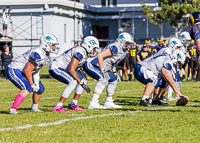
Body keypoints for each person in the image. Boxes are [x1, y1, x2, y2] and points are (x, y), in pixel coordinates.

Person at [7, 34, 59, 114]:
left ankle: (34, 108)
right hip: (15, 69)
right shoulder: (38, 53)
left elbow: (35, 70)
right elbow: (27, 70)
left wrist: (36, 82)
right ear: (46, 44)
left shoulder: (46, 55)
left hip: (24, 71)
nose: (54, 47)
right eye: (53, 45)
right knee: (27, 88)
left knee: (40, 88)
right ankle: (12, 110)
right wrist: (32, 84)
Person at [82, 32, 134, 109]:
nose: (129, 45)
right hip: (92, 64)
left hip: (100, 67)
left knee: (113, 80)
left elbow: (111, 61)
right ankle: (93, 102)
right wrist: (103, 70)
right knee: (104, 79)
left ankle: (108, 102)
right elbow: (100, 56)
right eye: (127, 43)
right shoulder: (116, 47)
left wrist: (114, 71)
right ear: (122, 41)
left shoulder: (124, 51)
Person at [49, 36, 99, 112]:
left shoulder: (83, 51)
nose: (94, 51)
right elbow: (71, 70)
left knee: (84, 79)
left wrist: (81, 76)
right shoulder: (80, 51)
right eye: (94, 48)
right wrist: (81, 83)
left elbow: (74, 66)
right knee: (73, 82)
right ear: (89, 45)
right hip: (55, 67)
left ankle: (73, 105)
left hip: (62, 68)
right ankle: (58, 106)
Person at [134, 40, 188, 107]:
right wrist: (181, 95)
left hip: (149, 69)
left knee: (162, 81)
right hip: (141, 68)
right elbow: (171, 82)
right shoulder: (167, 61)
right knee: (154, 80)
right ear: (175, 57)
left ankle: (155, 99)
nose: (178, 64)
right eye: (178, 62)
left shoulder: (169, 58)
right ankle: (144, 100)